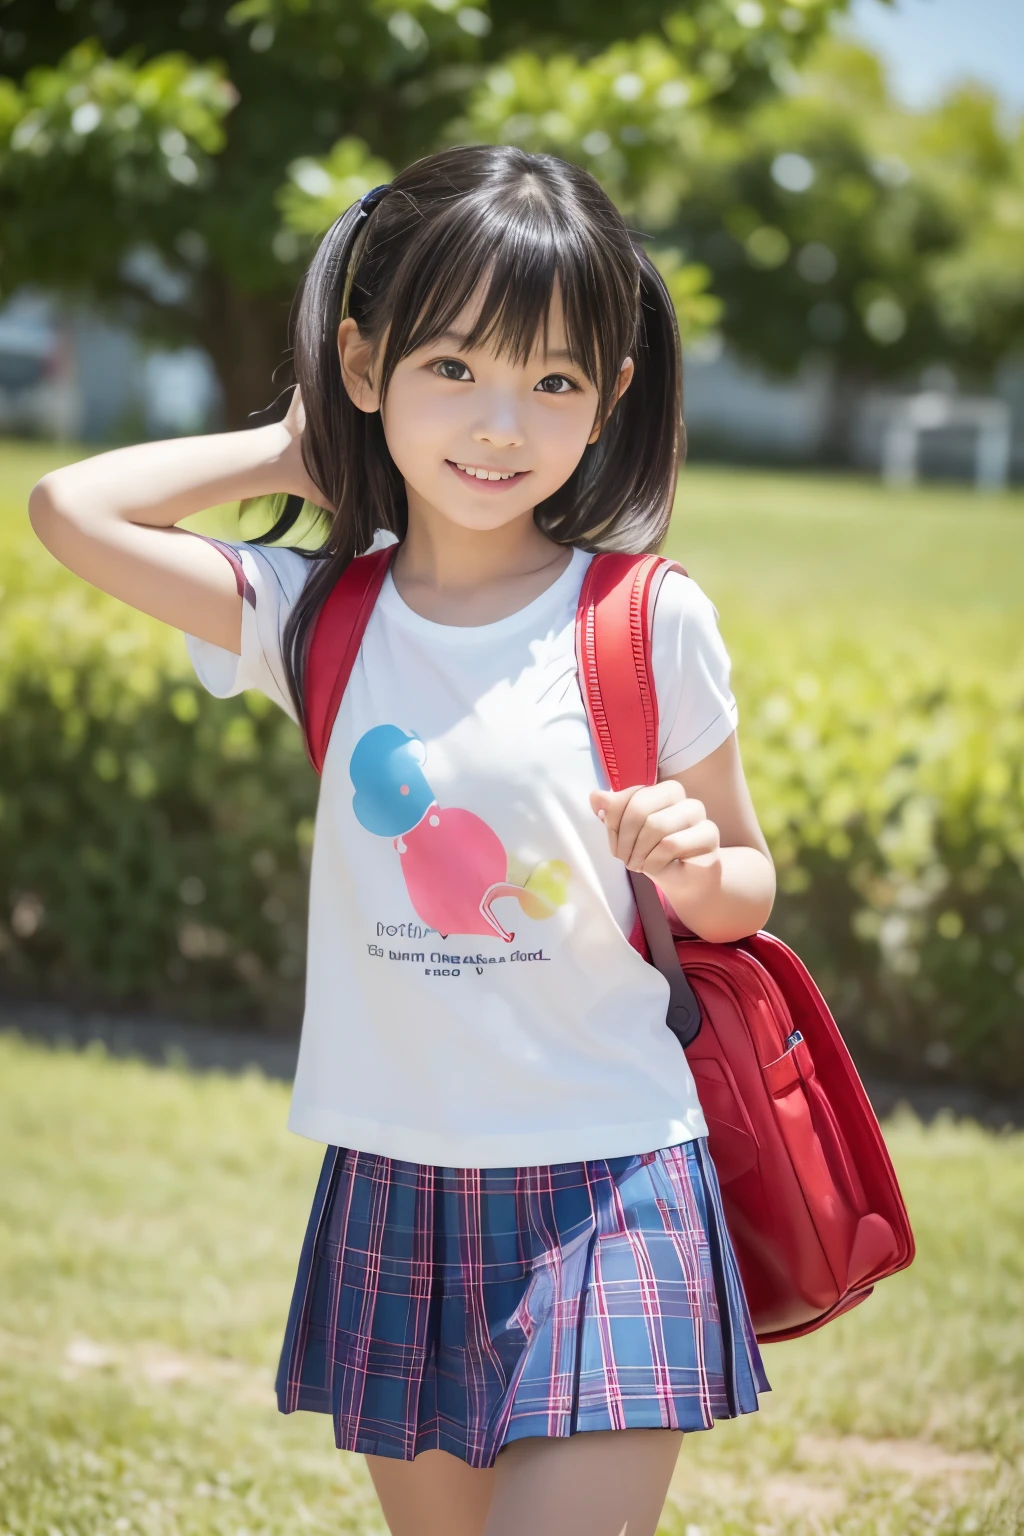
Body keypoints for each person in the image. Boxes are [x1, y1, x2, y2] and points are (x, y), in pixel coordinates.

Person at [29, 145, 775, 1536]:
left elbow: (742, 889)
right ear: (366, 367)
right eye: (453, 369)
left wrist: (691, 860)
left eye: (554, 380)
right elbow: (70, 510)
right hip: (398, 1179)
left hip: (615, 1169)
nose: (501, 424)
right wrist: (293, 448)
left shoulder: (646, 619)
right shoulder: (313, 614)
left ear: (613, 397)